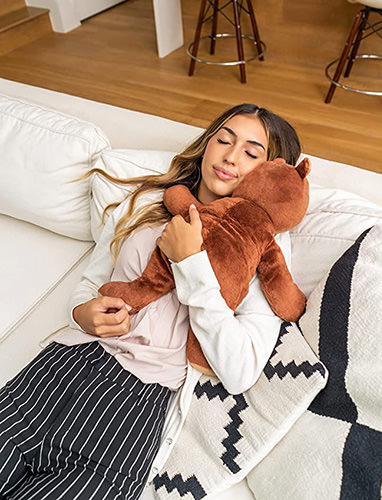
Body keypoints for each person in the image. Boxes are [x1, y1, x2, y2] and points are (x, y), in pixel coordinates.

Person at [0, 104, 301, 500]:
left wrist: (190, 262)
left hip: (131, 418)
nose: (230, 156)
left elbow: (240, 369)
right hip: (58, 378)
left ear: (271, 172)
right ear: (207, 145)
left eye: (251, 152)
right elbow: (93, 279)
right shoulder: (146, 204)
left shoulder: (262, 251)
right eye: (224, 139)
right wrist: (82, 313)